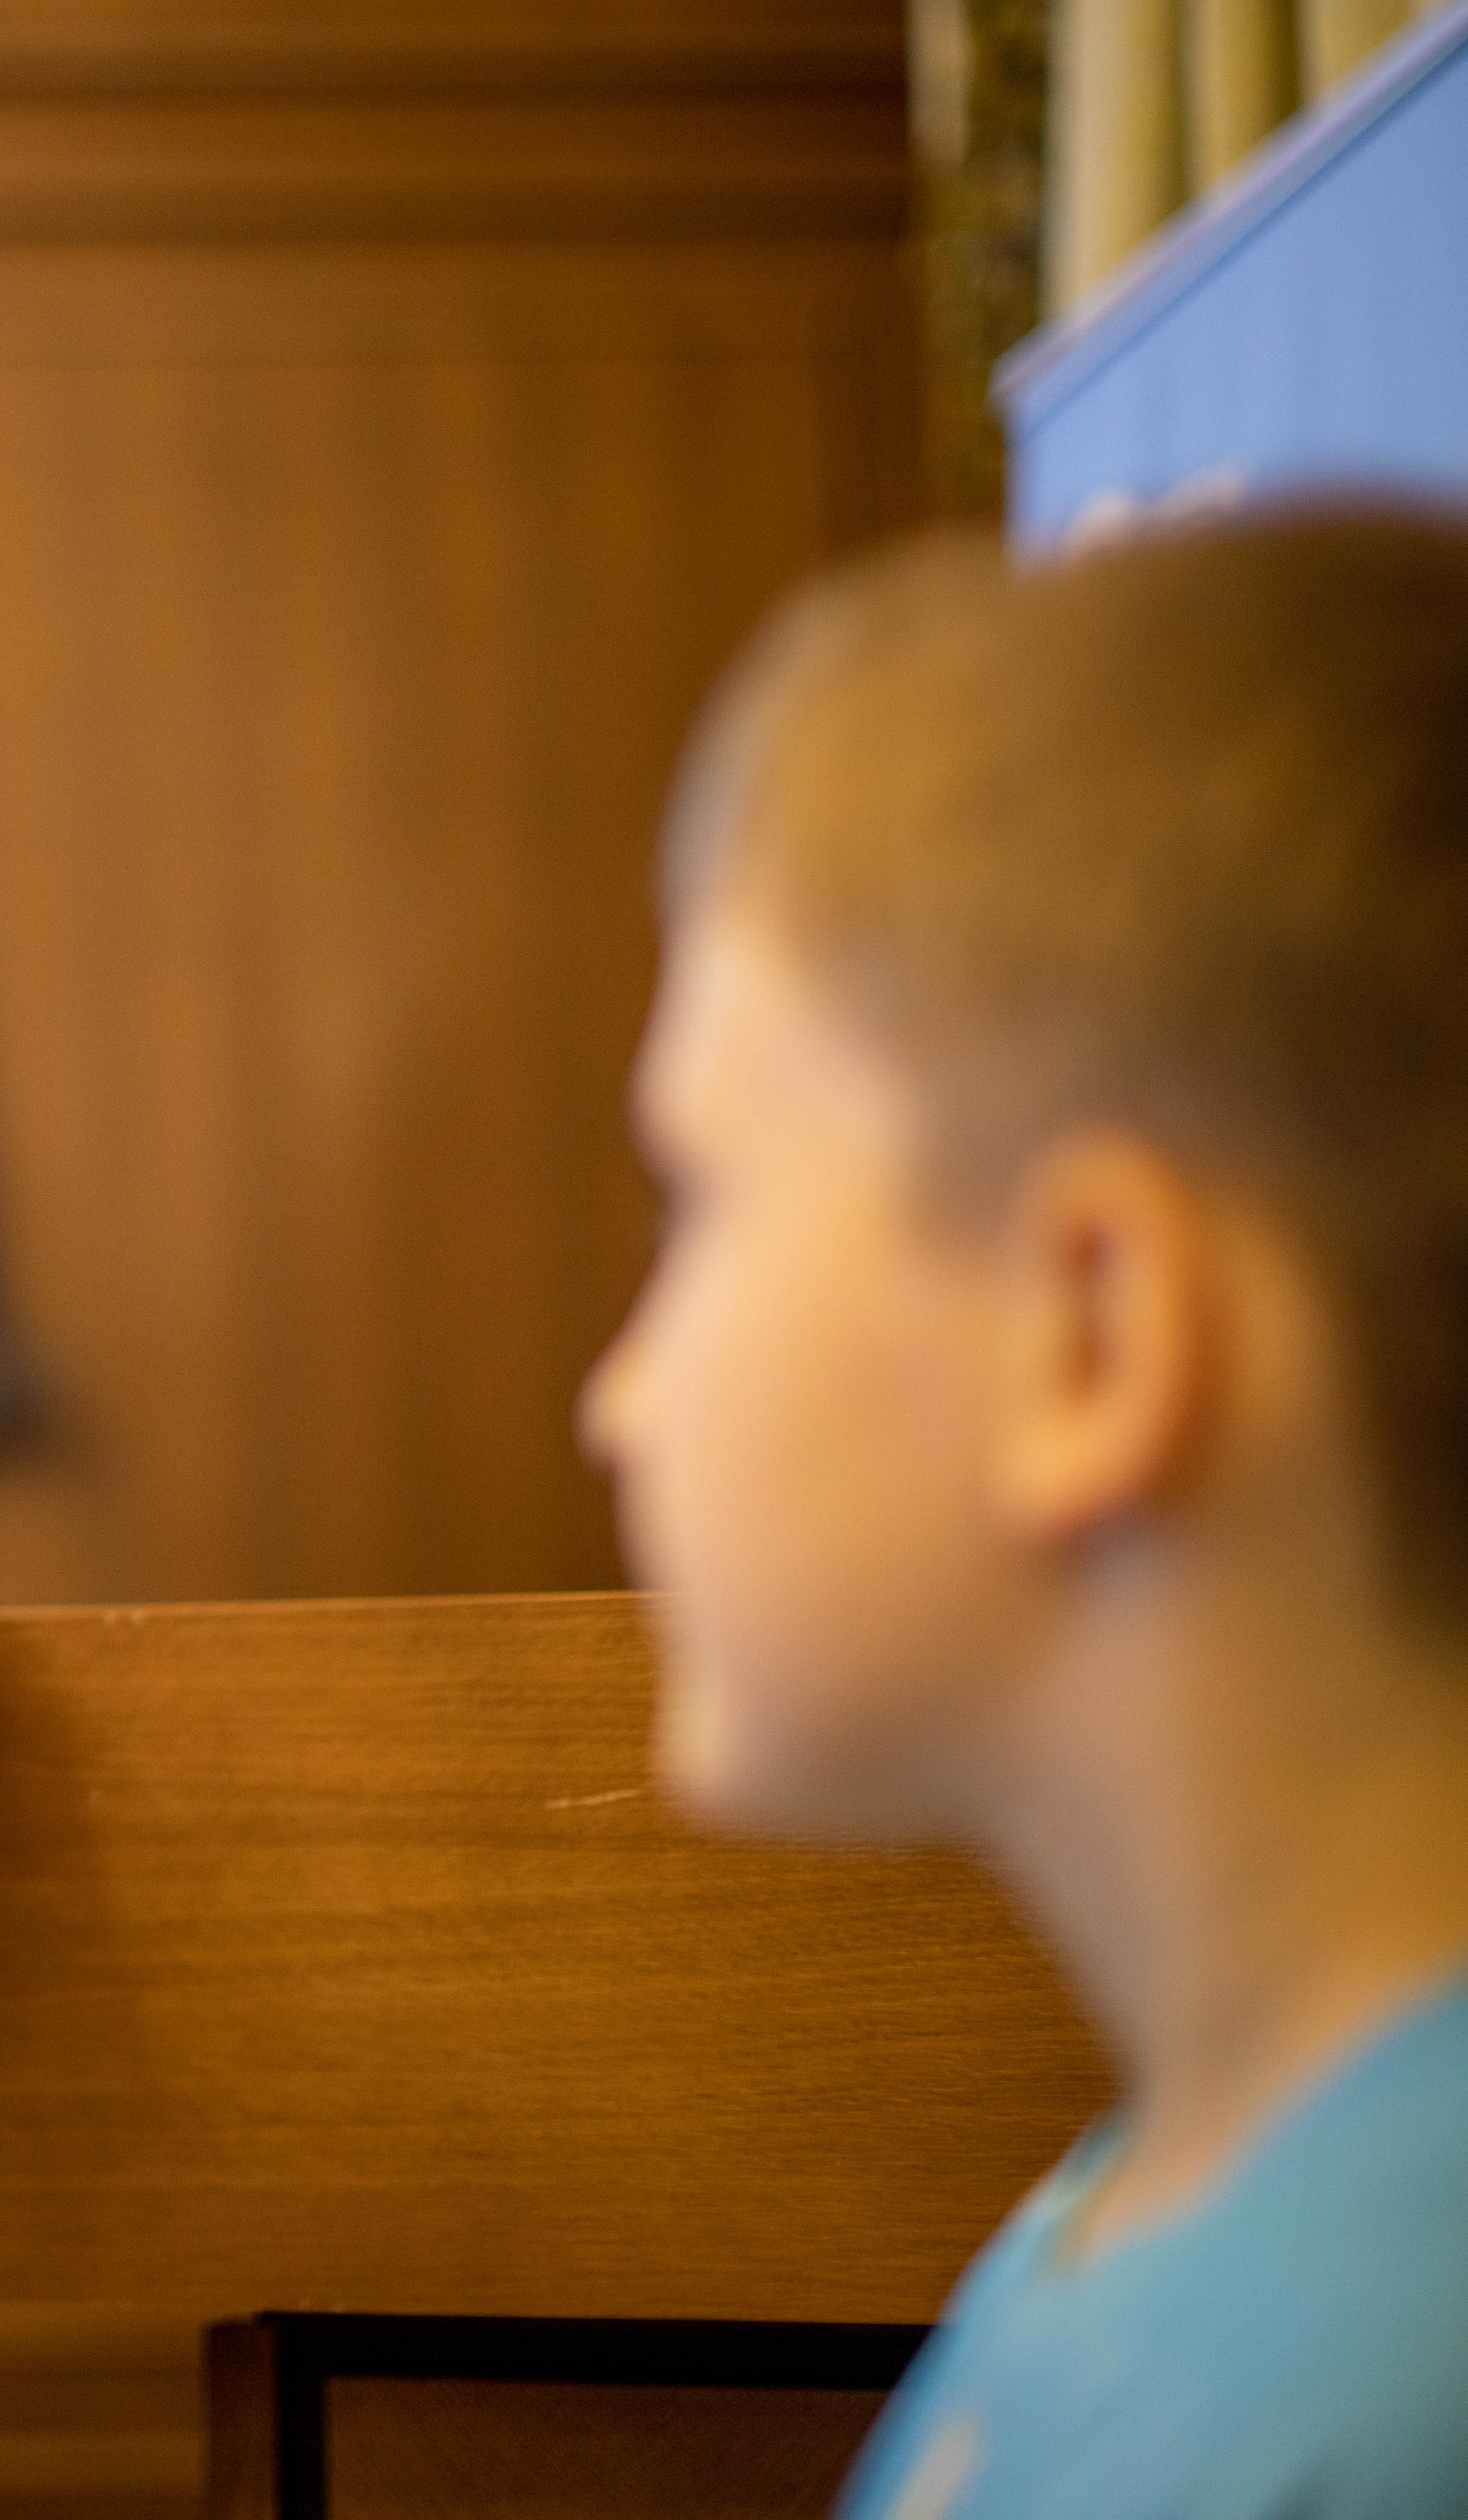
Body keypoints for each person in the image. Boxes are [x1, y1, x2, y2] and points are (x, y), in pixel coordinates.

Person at [581, 506, 1468, 2519]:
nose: (618, 1396)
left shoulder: (1385, 2406)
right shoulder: (1144, 2207)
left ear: (1095, 1331)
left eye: (700, 1196)